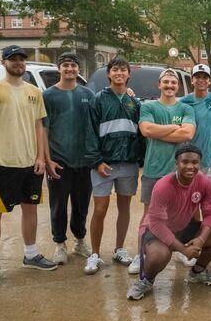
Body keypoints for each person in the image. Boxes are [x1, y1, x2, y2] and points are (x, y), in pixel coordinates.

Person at [0, 45, 56, 287]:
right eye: (13, 59)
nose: (18, 63)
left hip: (30, 163)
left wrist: (41, 157)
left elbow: (38, 127)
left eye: (21, 59)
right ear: (3, 62)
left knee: (30, 209)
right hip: (2, 163)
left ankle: (30, 255)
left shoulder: (34, 92)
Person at [126, 143, 211, 300]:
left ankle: (197, 272)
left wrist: (200, 240)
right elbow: (156, 224)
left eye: (195, 162)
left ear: (199, 164)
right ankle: (146, 280)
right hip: (155, 231)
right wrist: (182, 249)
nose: (190, 166)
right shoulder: (163, 186)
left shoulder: (204, 182)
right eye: (185, 161)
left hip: (183, 227)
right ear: (176, 164)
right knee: (160, 255)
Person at [129, 68, 196, 274]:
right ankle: (141, 254)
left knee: (184, 215)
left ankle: (183, 250)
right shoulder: (149, 107)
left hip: (180, 172)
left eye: (173, 83)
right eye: (165, 82)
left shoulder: (185, 109)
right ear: (159, 85)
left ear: (178, 86)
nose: (169, 86)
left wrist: (160, 130)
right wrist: (174, 129)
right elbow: (146, 130)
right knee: (149, 215)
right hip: (154, 169)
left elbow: (188, 133)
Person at [84, 57, 143, 275]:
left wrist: (140, 159)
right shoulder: (98, 100)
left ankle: (119, 249)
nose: (119, 73)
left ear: (128, 75)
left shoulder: (134, 103)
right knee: (100, 208)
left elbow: (141, 133)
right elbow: (89, 133)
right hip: (104, 165)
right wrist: (97, 161)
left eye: (123, 70)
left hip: (127, 163)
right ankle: (95, 254)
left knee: (124, 208)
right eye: (115, 69)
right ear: (109, 74)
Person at [42, 52, 94, 265]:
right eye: (65, 66)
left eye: (73, 65)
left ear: (78, 69)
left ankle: (80, 241)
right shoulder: (48, 96)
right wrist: (47, 160)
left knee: (82, 205)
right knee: (58, 205)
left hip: (84, 162)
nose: (70, 69)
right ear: (59, 69)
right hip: (58, 162)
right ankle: (60, 244)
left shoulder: (88, 94)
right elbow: (43, 131)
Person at [181, 64, 211, 186]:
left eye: (205, 77)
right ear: (192, 80)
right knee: (190, 196)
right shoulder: (184, 102)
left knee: (209, 197)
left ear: (209, 81)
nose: (201, 80)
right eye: (197, 77)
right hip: (192, 158)